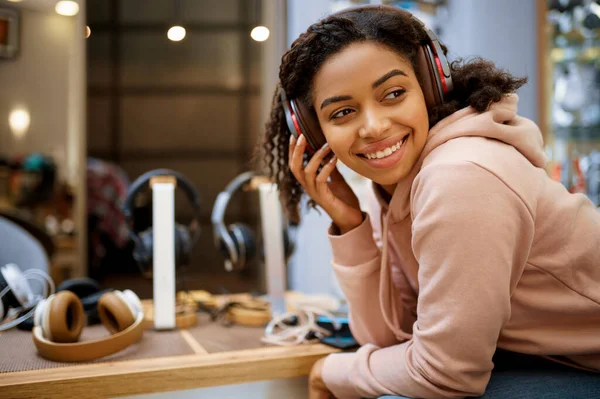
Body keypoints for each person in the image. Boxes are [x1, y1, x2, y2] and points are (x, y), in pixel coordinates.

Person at [260, 4, 600, 399]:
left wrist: (330, 372)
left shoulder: (460, 177)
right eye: (344, 112)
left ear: (430, 85)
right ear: (315, 133)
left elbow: (445, 374)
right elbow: (390, 338)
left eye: (393, 94)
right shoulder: (405, 184)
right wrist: (352, 224)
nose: (374, 127)